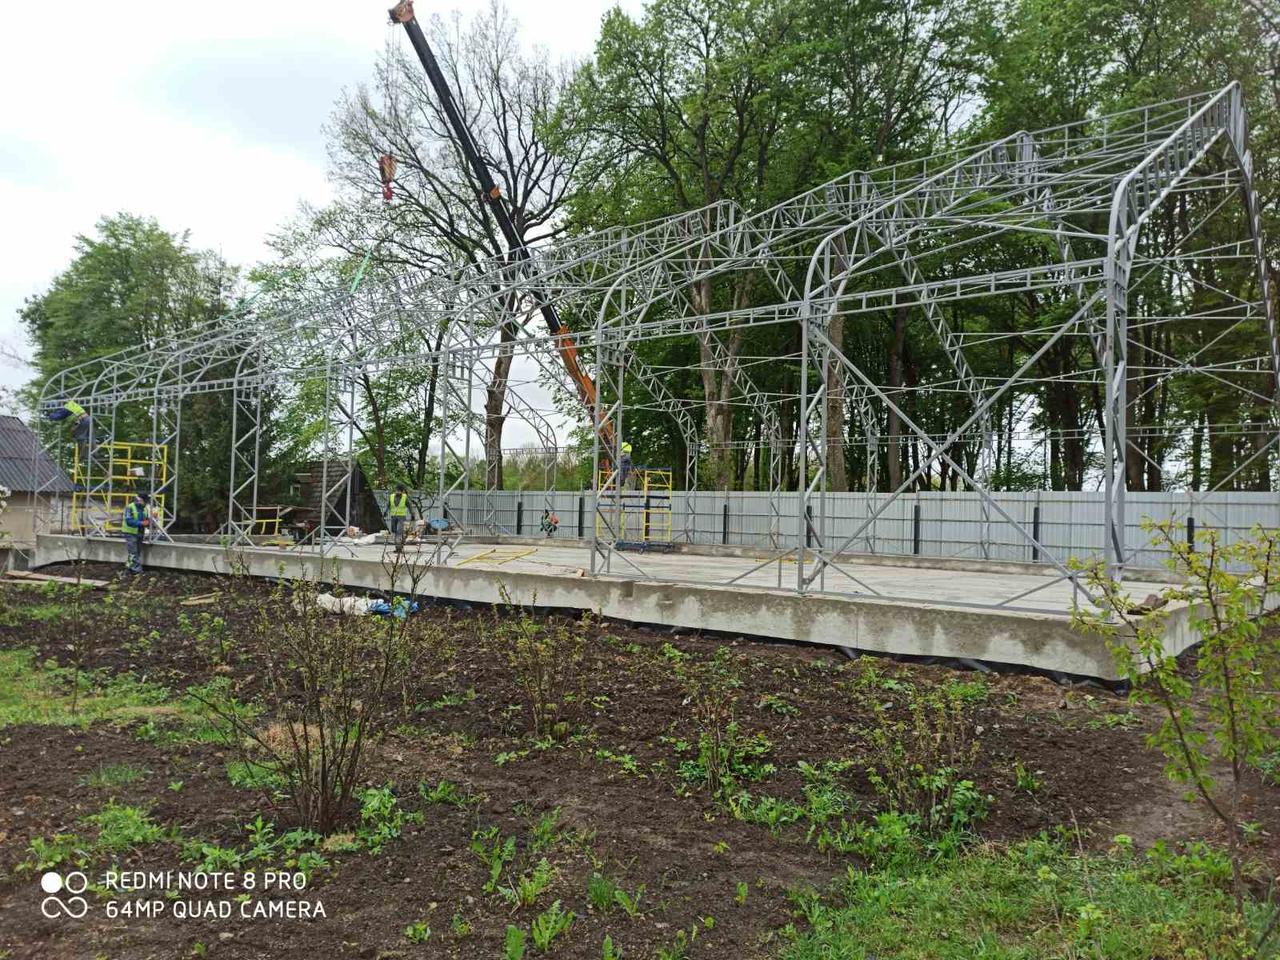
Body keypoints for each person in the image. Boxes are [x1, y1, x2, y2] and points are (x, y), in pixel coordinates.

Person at [122, 492, 151, 576]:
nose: (146, 503)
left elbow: (146, 520)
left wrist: (148, 522)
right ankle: (138, 571)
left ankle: (128, 569)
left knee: (135, 553)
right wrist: (142, 523)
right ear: (140, 500)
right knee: (133, 552)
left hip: (139, 533)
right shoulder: (130, 507)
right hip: (130, 533)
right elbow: (129, 521)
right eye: (145, 501)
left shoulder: (145, 509)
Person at [387, 484, 410, 549]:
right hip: (393, 516)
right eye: (397, 490)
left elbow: (409, 506)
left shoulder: (405, 497)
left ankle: (399, 548)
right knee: (394, 531)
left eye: (399, 491)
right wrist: (385, 512)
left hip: (401, 517)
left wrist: (412, 514)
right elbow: (388, 505)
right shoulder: (391, 496)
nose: (397, 492)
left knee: (399, 531)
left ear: (402, 491)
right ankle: (399, 544)